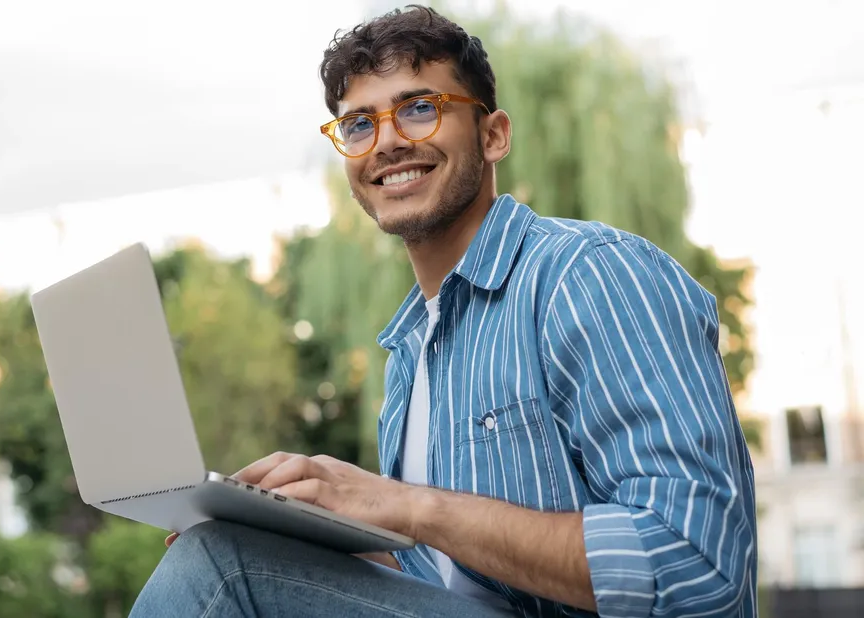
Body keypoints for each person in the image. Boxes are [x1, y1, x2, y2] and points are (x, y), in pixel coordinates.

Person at [130, 5, 757, 617]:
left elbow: (698, 563)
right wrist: (313, 528)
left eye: (420, 109)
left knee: (217, 564)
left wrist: (408, 504)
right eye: (358, 125)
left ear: (493, 135)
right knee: (233, 548)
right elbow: (453, 586)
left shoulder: (589, 275)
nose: (389, 142)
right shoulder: (411, 348)